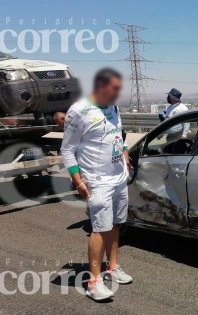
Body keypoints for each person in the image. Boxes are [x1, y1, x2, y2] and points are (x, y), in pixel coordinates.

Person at [61, 68, 133, 301]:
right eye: (113, 90)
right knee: (99, 228)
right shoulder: (79, 111)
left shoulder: (113, 107)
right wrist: (77, 180)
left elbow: (117, 131)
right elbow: (67, 149)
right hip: (96, 180)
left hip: (118, 177)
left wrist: (123, 150)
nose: (116, 95)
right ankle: (93, 281)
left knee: (114, 224)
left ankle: (112, 267)